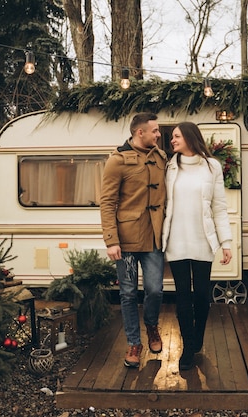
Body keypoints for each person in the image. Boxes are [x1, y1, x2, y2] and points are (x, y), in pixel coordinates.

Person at [162, 121, 232, 371]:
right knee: (182, 296)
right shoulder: (170, 166)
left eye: (177, 136)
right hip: (176, 239)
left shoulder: (212, 167)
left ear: (190, 137)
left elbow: (219, 208)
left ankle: (198, 337)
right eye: (172, 137)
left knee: (202, 295)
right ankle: (188, 347)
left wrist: (226, 242)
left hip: (203, 239)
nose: (172, 140)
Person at [100, 112, 167, 368]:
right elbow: (106, 202)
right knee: (128, 293)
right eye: (155, 131)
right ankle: (133, 343)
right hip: (125, 240)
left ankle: (151, 325)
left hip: (153, 238)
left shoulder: (161, 158)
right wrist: (111, 240)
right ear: (140, 132)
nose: (159, 135)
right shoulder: (117, 161)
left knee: (155, 290)